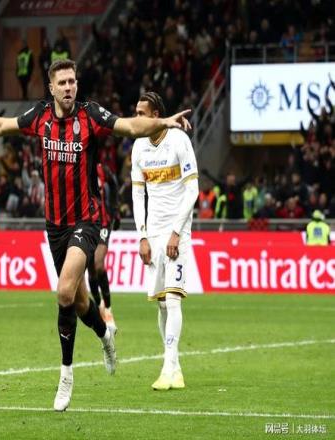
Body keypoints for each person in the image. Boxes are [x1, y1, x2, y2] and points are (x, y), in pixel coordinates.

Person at [0, 59, 191, 411]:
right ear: (51, 88)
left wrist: (163, 121)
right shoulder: (40, 117)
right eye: (63, 82)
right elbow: (0, 126)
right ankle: (105, 334)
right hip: (54, 225)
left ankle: (66, 375)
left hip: (86, 220)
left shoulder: (91, 115)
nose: (69, 87)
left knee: (64, 290)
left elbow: (130, 125)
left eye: (73, 81)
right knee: (79, 301)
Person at [130, 91, 198, 391]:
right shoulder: (138, 146)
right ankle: (176, 368)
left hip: (177, 230)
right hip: (154, 233)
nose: (136, 118)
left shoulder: (179, 140)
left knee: (173, 299)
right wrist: (142, 235)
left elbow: (193, 190)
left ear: (156, 115)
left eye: (141, 113)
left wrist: (176, 232)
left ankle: (168, 366)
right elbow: (137, 194)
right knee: (161, 304)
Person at [88, 163, 120, 333]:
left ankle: (108, 308)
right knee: (91, 270)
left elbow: (113, 184)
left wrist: (115, 210)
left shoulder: (101, 168)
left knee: (99, 264)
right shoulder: (76, 165)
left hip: (103, 223)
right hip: (85, 224)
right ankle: (99, 305)